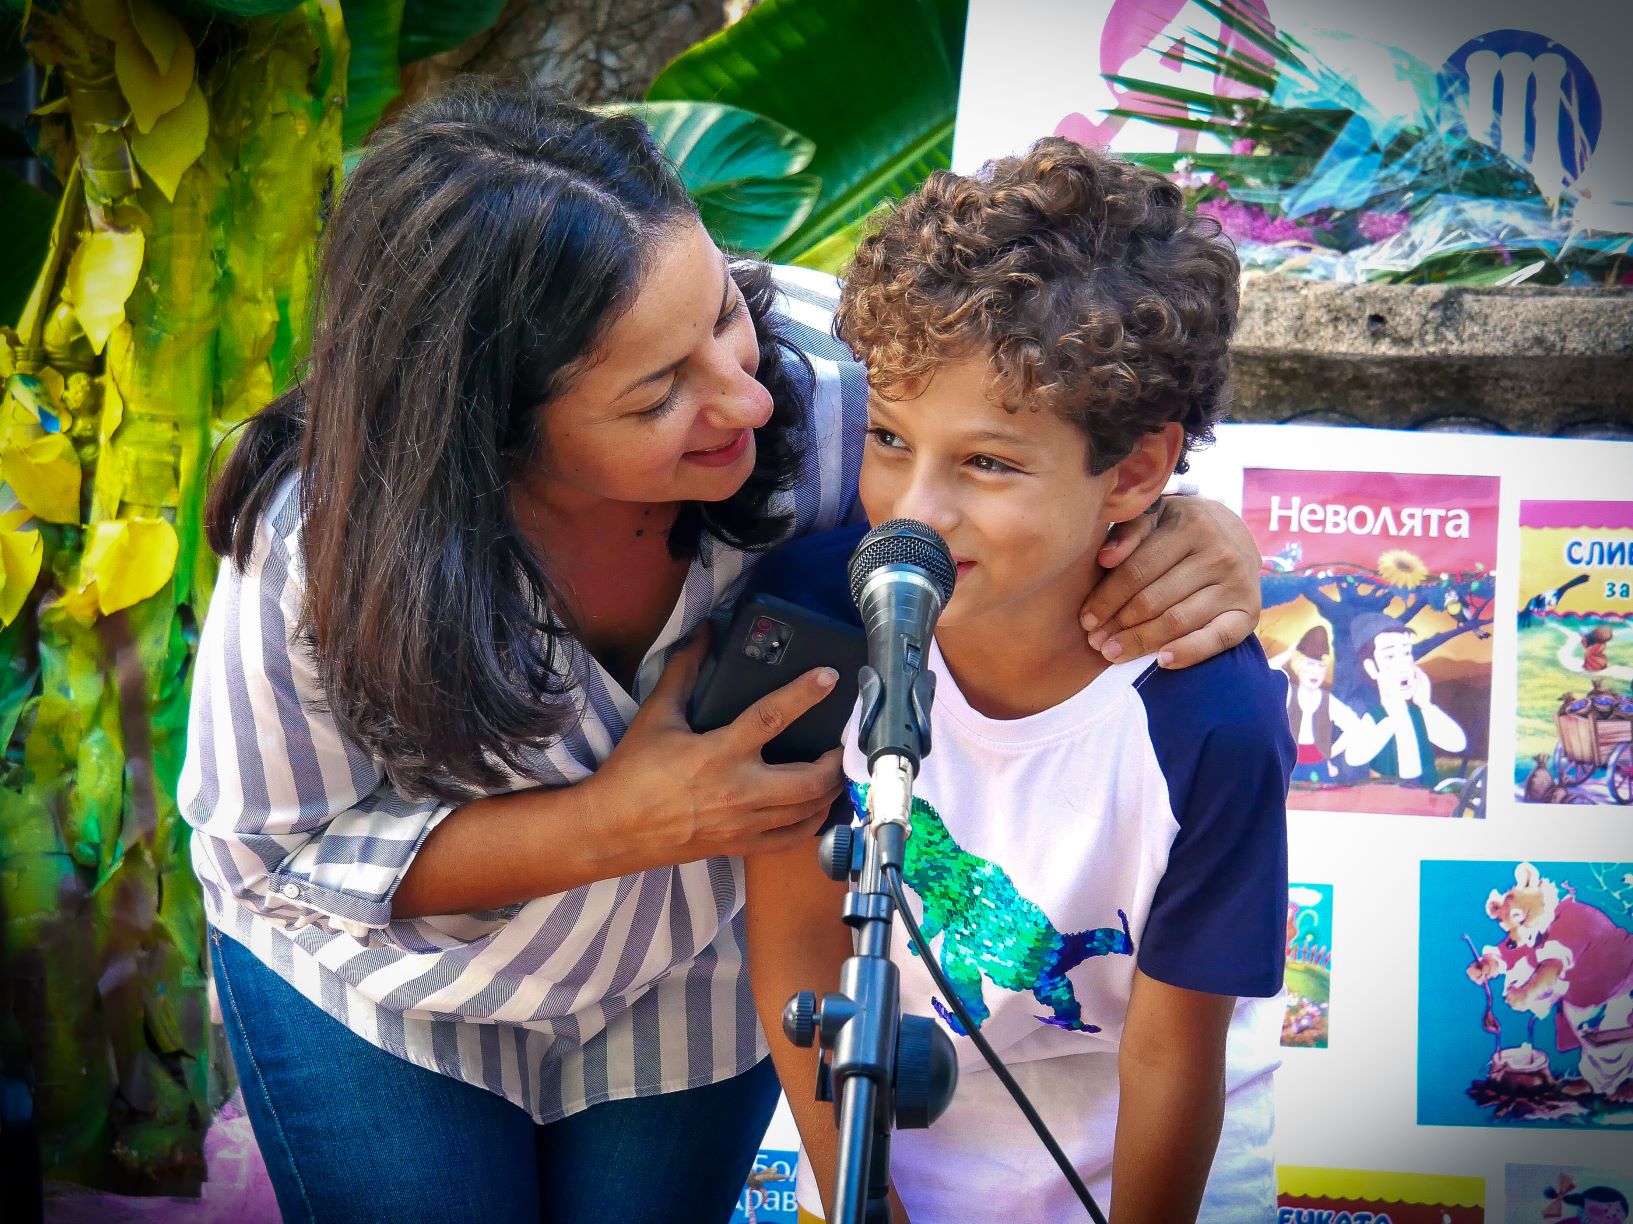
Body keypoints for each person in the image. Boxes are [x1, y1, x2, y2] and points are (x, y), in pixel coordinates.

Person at [181, 82, 1268, 1224]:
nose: (748, 398)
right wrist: (616, 823)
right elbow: (265, 856)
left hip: (679, 971)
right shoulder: (325, 539)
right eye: (659, 395)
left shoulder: (835, 380)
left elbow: (1067, 433)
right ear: (495, 431)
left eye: (717, 316)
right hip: (390, 996)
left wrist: (1198, 533)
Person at [744, 139, 1291, 1224]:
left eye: (988, 462)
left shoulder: (1206, 718)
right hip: (869, 1159)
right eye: (890, 438)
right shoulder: (810, 615)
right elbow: (798, 944)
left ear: (1135, 470)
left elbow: (1169, 1058)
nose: (915, 510)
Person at [1341, 613, 1466, 786]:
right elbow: (1354, 756)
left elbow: (1457, 743)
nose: (1404, 665)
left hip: (1426, 795)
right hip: (1388, 800)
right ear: (1371, 668)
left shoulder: (1418, 714)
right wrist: (1392, 720)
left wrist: (1425, 705)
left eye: (1407, 653)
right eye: (1390, 657)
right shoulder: (1376, 717)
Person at [1267, 624, 1359, 783]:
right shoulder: (1288, 692)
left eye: (1320, 666)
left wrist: (1329, 754)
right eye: (1309, 664)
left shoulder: (1329, 701)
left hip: (1319, 766)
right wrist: (1289, 652)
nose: (1315, 671)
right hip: (1288, 764)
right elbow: (1266, 670)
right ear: (1298, 664)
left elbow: (1355, 726)